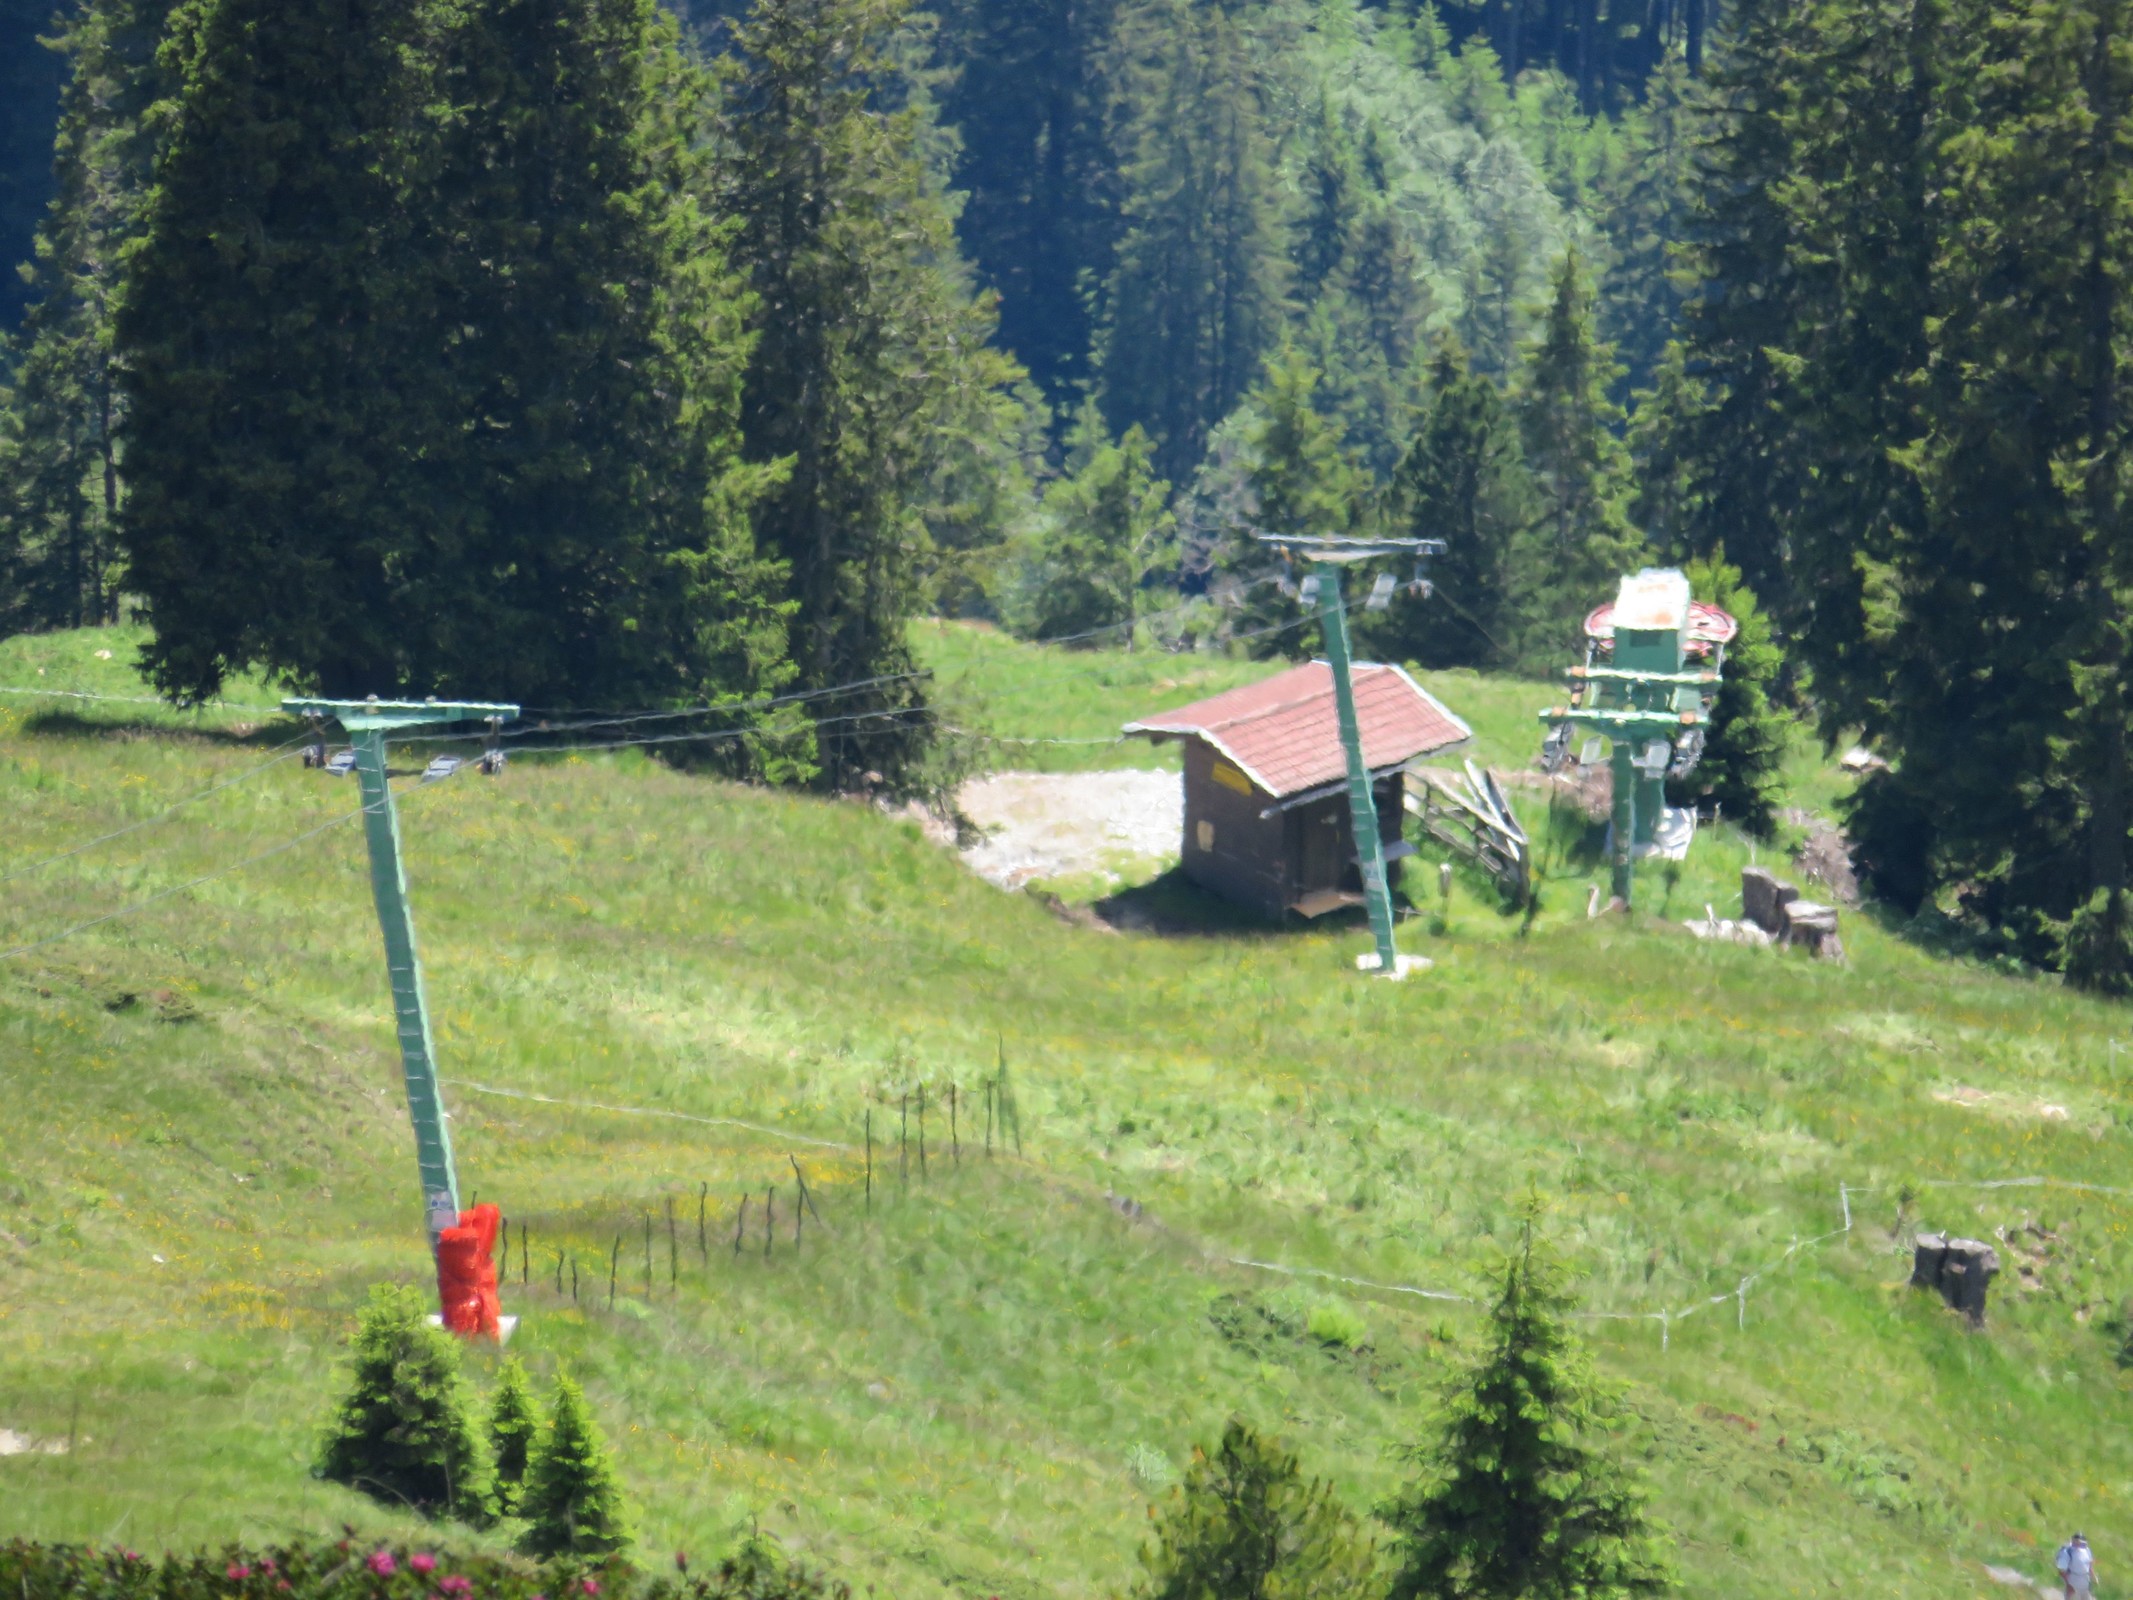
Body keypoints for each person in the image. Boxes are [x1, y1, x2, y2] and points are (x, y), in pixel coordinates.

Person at [2057, 1532, 2096, 1599]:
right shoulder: (2067, 1552)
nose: (2079, 1546)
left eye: (2081, 1544)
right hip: (2073, 1580)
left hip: (2085, 1581)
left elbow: (2089, 1566)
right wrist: (2068, 1585)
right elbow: (2062, 1571)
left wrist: (2094, 1577)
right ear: (2072, 1542)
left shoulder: (2087, 1551)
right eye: (2076, 1543)